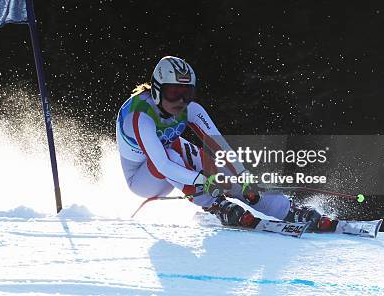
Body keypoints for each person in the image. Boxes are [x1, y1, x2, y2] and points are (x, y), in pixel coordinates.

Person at [116, 56, 333, 230]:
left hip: (171, 157)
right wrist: (202, 180)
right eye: (173, 93)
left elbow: (221, 147)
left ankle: (287, 209)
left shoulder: (191, 109)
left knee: (218, 167)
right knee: (175, 158)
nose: (181, 101)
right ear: (156, 89)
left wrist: (244, 176)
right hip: (142, 178)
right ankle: (216, 206)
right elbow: (162, 164)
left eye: (187, 93)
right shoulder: (140, 116)